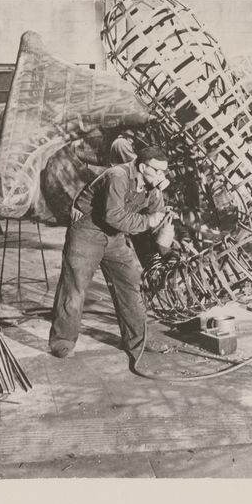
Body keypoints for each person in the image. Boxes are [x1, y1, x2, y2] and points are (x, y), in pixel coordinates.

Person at [48, 144, 171, 363]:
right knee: (75, 286)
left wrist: (161, 215)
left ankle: (138, 341)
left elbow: (156, 213)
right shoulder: (118, 176)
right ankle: (62, 343)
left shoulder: (153, 187)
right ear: (143, 167)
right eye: (158, 171)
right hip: (88, 232)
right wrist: (147, 221)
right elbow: (113, 215)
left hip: (114, 237)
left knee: (131, 281)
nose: (162, 176)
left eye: (165, 171)